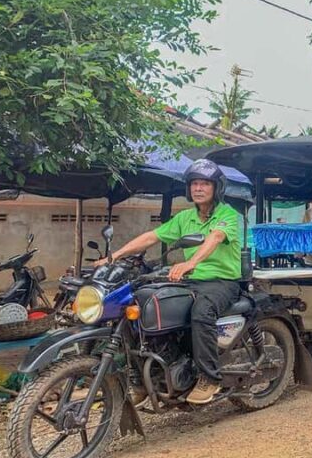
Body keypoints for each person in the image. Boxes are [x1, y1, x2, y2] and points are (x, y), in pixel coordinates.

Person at [95, 159, 241, 405]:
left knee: (202, 312)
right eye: (194, 183)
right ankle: (145, 378)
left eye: (205, 183)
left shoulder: (227, 214)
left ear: (217, 188)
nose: (198, 188)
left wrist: (190, 263)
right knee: (144, 305)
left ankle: (210, 378)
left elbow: (214, 238)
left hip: (222, 281)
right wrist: (114, 256)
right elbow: (152, 236)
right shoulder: (185, 217)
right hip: (191, 281)